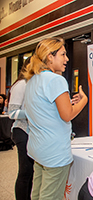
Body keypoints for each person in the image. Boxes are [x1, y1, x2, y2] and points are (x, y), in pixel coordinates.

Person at [23, 37, 88, 200]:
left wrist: (68, 104)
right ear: (50, 57)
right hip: (54, 153)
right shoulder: (56, 80)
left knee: (37, 193)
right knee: (50, 196)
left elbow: (44, 110)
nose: (67, 59)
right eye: (63, 54)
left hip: (38, 149)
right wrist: (84, 102)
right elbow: (67, 115)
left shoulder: (32, 80)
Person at [8, 56, 34, 200]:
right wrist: (34, 113)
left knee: (30, 173)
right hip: (22, 132)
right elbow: (12, 113)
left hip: (32, 133)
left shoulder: (33, 84)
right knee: (25, 172)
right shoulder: (21, 84)